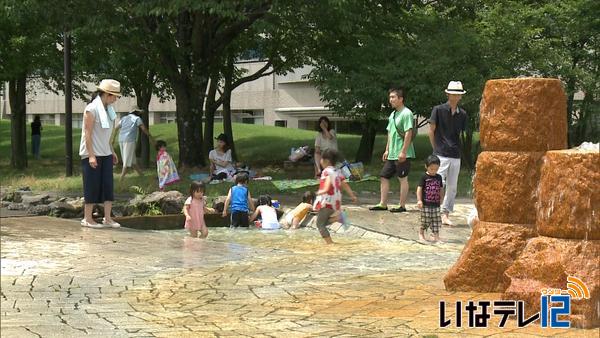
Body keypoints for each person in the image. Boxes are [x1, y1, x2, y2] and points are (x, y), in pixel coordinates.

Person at [79, 79, 121, 229]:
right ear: (107, 94)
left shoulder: (109, 110)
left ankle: (108, 218)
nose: (116, 99)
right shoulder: (92, 109)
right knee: (92, 185)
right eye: (115, 96)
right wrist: (91, 155)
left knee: (107, 186)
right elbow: (87, 134)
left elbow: (107, 135)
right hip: (92, 152)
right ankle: (87, 218)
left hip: (105, 152)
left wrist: (112, 151)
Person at [369, 87, 416, 213]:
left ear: (401, 99)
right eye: (390, 97)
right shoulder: (393, 114)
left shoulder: (407, 113)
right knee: (384, 176)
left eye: (393, 97)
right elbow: (390, 133)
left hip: (403, 153)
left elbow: (408, 133)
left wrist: (404, 152)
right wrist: (387, 150)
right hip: (392, 153)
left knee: (402, 178)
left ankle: (402, 205)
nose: (391, 100)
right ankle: (383, 203)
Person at [429, 81, 468, 226]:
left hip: (455, 154)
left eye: (458, 94)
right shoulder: (438, 110)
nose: (455, 96)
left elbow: (461, 134)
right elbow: (431, 130)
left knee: (452, 186)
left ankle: (445, 213)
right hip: (441, 153)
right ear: (448, 94)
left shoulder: (462, 114)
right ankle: (433, 211)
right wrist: (435, 149)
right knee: (438, 183)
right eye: (453, 94)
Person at [314, 149, 357, 244]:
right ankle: (338, 218)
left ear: (326, 161)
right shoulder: (337, 172)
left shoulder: (326, 171)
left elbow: (328, 181)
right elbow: (344, 184)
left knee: (319, 225)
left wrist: (324, 189)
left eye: (321, 159)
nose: (320, 161)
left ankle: (330, 244)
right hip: (335, 201)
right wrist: (352, 195)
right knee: (322, 222)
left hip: (327, 201)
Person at [112, 107, 154, 183]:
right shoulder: (137, 119)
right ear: (136, 112)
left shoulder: (124, 118)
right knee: (127, 160)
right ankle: (121, 179)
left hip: (121, 139)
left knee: (132, 160)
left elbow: (116, 128)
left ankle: (141, 175)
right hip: (129, 140)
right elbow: (143, 129)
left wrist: (113, 139)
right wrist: (150, 136)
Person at [417, 155, 444, 243]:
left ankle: (436, 236)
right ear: (426, 166)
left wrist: (441, 198)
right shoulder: (424, 177)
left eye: (436, 169)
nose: (434, 171)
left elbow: (441, 189)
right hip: (426, 204)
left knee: (436, 220)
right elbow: (419, 189)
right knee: (425, 220)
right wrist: (419, 200)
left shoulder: (439, 177)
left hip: (436, 204)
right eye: (431, 169)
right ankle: (421, 234)